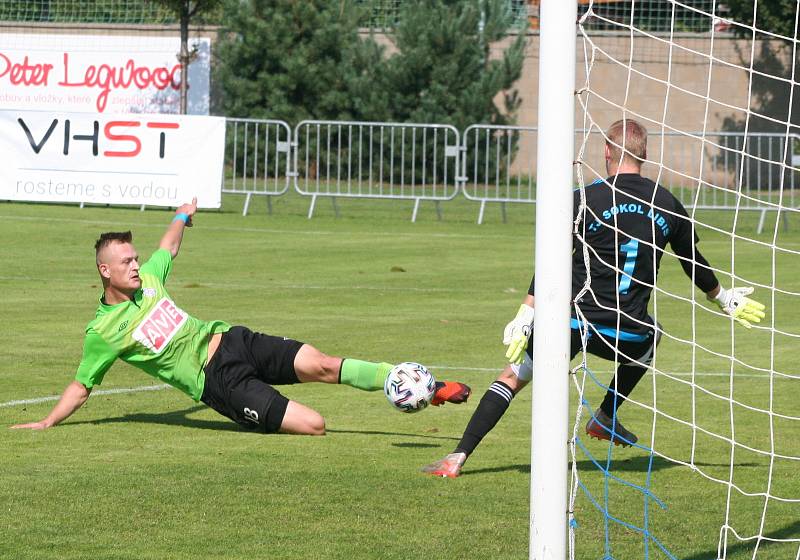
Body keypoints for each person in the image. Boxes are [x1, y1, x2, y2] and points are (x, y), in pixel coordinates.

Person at [422, 118, 766, 478]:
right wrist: (723, 298)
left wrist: (526, 312)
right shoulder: (668, 203)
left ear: (606, 150)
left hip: (568, 321)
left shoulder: (584, 198)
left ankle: (457, 458)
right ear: (645, 154)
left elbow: (551, 260)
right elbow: (692, 262)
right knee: (655, 334)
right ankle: (605, 415)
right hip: (625, 330)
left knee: (513, 376)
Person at [11, 198, 470, 435]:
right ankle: (412, 390)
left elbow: (167, 246)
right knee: (316, 425)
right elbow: (81, 385)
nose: (135, 265)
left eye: (134, 258)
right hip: (220, 385)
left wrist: (182, 215)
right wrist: (49, 421)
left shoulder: (150, 278)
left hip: (233, 340)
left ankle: (424, 389)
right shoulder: (102, 332)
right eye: (125, 261)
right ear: (104, 271)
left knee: (325, 365)